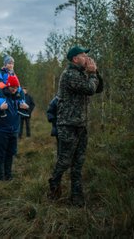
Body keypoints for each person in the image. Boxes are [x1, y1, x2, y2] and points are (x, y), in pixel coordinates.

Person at [48, 45, 103, 207]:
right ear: (75, 59)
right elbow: (89, 89)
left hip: (81, 125)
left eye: (87, 55)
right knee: (65, 161)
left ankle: (77, 198)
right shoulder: (70, 74)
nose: (87, 58)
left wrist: (95, 72)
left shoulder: (80, 73)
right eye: (83, 55)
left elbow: (98, 88)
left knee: (78, 163)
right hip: (68, 126)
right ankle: (54, 184)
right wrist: (92, 74)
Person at [0, 75, 27, 181]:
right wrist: (0, 108)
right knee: (1, 155)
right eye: (12, 87)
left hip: (14, 131)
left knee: (10, 154)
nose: (14, 89)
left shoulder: (18, 96)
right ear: (8, 85)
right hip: (1, 131)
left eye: (16, 87)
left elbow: (21, 111)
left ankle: (8, 176)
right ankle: (0, 178)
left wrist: (25, 108)